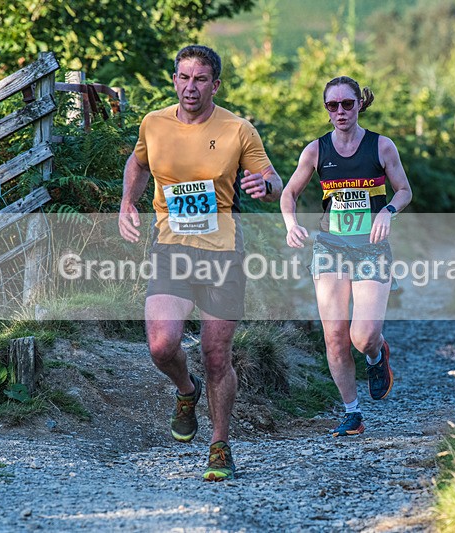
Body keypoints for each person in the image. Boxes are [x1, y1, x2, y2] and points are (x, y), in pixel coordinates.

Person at [118, 44, 282, 480]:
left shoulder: (238, 129)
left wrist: (265, 187)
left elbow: (273, 178)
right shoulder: (153, 123)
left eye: (201, 79)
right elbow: (137, 165)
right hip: (171, 249)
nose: (191, 88)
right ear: (174, 80)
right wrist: (126, 204)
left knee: (215, 355)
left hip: (223, 253)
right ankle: (185, 391)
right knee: (161, 345)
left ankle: (219, 445)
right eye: (184, 78)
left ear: (216, 84)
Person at [280, 76, 412, 437]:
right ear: (326, 110)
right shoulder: (316, 151)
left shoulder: (381, 147)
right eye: (332, 105)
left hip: (371, 248)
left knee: (363, 336)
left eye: (346, 104)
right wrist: (290, 225)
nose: (340, 111)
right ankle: (352, 413)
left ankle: (376, 353)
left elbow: (403, 190)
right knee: (335, 336)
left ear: (359, 104)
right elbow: (288, 194)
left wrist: (387, 212)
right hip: (330, 247)